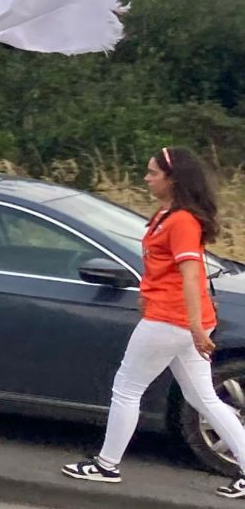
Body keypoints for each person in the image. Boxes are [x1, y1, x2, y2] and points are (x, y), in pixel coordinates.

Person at [63, 147, 245, 499]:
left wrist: (194, 327)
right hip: (177, 318)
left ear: (172, 179)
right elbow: (167, 268)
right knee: (203, 397)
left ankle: (106, 464)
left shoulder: (181, 222)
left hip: (171, 320)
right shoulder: (169, 215)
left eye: (152, 173)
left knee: (127, 388)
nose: (146, 179)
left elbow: (192, 274)